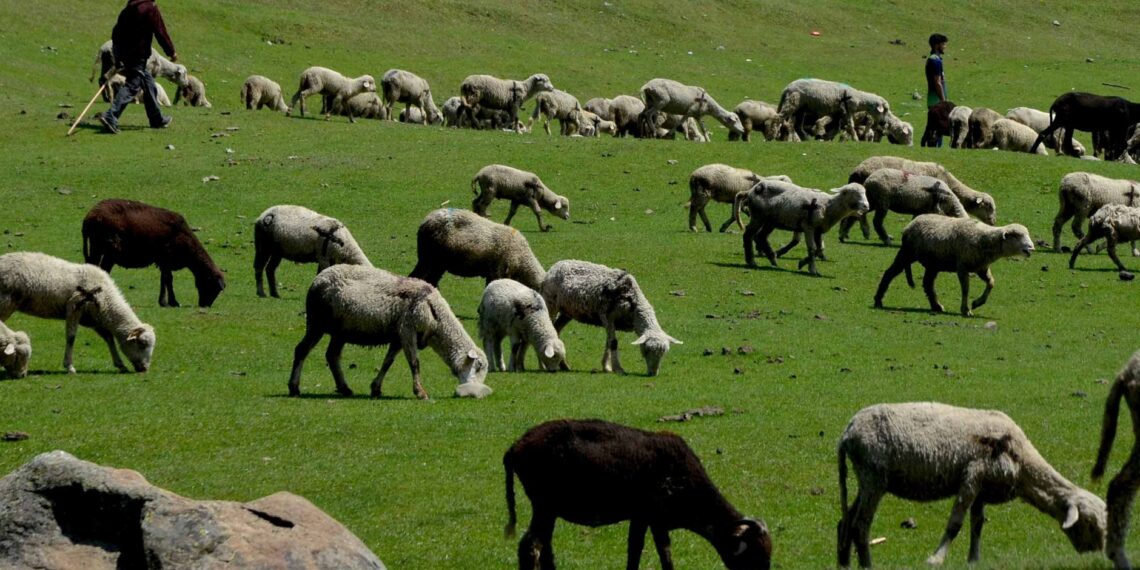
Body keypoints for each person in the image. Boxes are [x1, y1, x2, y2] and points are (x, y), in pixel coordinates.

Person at [98, 0, 177, 134]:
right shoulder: (150, 8)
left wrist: (118, 55)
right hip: (138, 54)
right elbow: (160, 32)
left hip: (125, 52)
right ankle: (111, 115)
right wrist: (171, 52)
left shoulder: (129, 8)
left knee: (148, 82)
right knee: (133, 85)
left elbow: (116, 32)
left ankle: (156, 119)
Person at [924, 33, 949, 147]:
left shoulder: (934, 59)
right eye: (943, 44)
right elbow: (937, 82)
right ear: (936, 45)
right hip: (936, 101)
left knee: (935, 129)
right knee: (938, 130)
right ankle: (934, 150)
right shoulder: (935, 61)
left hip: (933, 100)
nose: (945, 47)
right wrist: (944, 102)